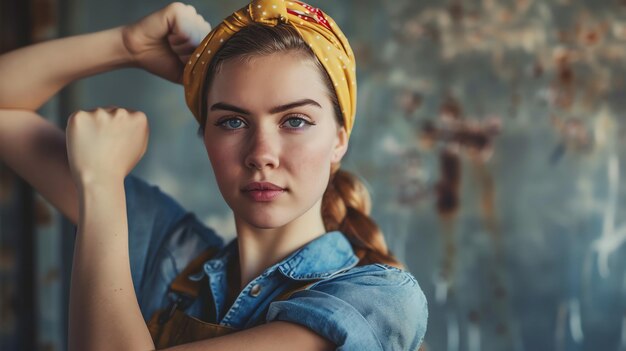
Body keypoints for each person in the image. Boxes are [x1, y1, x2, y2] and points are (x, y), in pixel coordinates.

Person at [0, 0, 428, 349]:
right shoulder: (168, 254)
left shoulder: (376, 300)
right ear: (204, 134)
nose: (261, 154)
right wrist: (126, 45)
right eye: (233, 122)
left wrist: (100, 184)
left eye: (294, 120)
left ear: (339, 138)